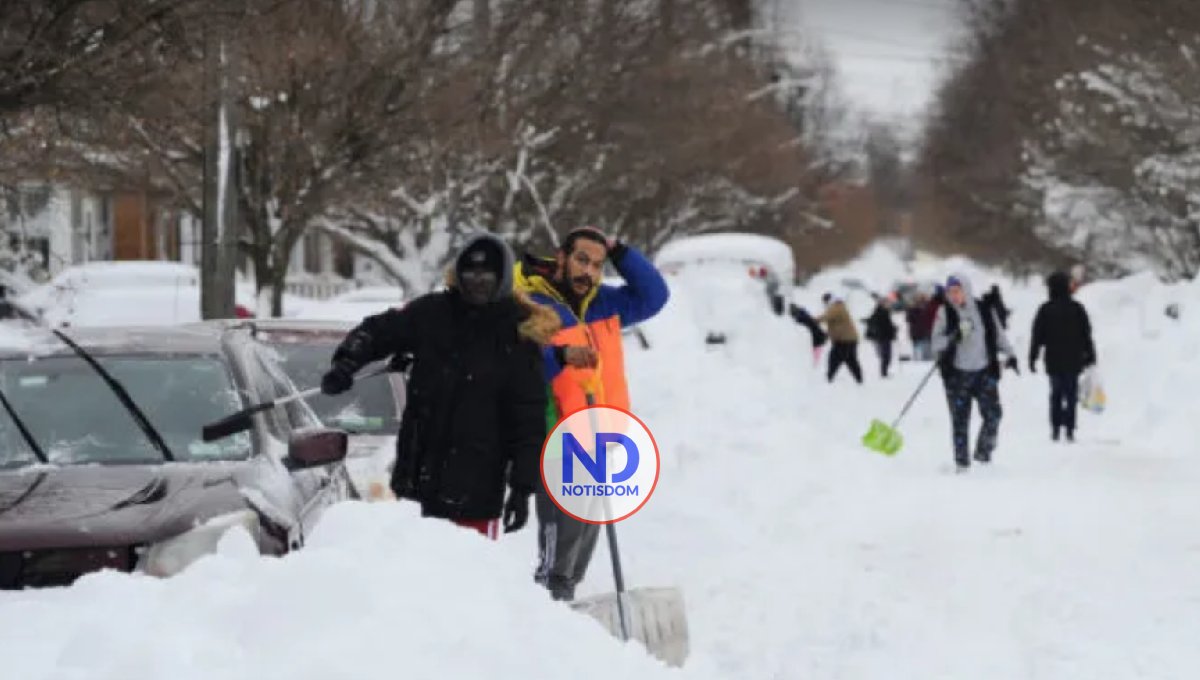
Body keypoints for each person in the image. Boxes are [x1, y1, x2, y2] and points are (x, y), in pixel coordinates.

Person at [319, 233, 559, 538]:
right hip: (415, 484)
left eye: (487, 273)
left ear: (502, 278)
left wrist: (523, 489)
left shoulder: (518, 333)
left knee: (464, 578)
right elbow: (377, 331)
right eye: (470, 272)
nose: (477, 280)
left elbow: (528, 419)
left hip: (477, 491)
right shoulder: (432, 313)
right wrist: (347, 364)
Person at [515, 226, 669, 602]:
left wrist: (620, 250)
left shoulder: (602, 303)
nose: (589, 272)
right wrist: (560, 357)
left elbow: (655, 296)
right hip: (558, 439)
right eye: (582, 260)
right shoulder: (534, 306)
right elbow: (523, 371)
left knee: (584, 536)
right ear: (562, 257)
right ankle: (546, 607)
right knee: (559, 546)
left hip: (601, 437)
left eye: (598, 265)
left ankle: (565, 607)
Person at [931, 273, 1019, 472]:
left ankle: (983, 453)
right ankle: (962, 464)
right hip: (957, 376)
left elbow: (998, 335)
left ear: (966, 290)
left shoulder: (984, 309)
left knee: (994, 415)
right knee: (960, 420)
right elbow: (935, 343)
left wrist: (1011, 354)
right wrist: (954, 336)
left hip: (984, 373)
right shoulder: (945, 313)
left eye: (957, 291)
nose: (953, 296)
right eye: (950, 292)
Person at [1029, 271, 1096, 443]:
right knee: (1071, 394)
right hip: (1074, 359)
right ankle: (1070, 429)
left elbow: (1037, 336)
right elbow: (1086, 334)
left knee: (1056, 394)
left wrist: (1033, 356)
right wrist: (1091, 356)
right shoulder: (1077, 309)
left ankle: (1055, 428)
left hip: (1053, 359)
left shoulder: (1045, 309)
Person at [816, 293, 862, 384]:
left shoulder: (836, 307)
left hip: (844, 340)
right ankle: (859, 380)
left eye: (825, 301)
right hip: (849, 339)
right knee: (851, 360)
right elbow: (834, 325)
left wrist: (813, 320)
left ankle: (828, 380)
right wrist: (827, 335)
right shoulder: (838, 307)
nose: (824, 304)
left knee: (834, 358)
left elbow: (826, 317)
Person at [863, 294, 898, 378]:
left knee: (886, 355)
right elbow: (883, 325)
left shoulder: (883, 312)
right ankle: (884, 372)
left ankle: (884, 371)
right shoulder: (881, 312)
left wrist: (893, 328)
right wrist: (893, 329)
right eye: (887, 303)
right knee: (886, 355)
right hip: (883, 336)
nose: (889, 305)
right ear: (882, 304)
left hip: (885, 336)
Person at [905, 292, 934, 361]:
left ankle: (924, 358)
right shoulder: (912, 310)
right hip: (918, 332)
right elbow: (909, 319)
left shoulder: (926, 307)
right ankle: (920, 359)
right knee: (919, 347)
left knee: (925, 346)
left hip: (924, 331)